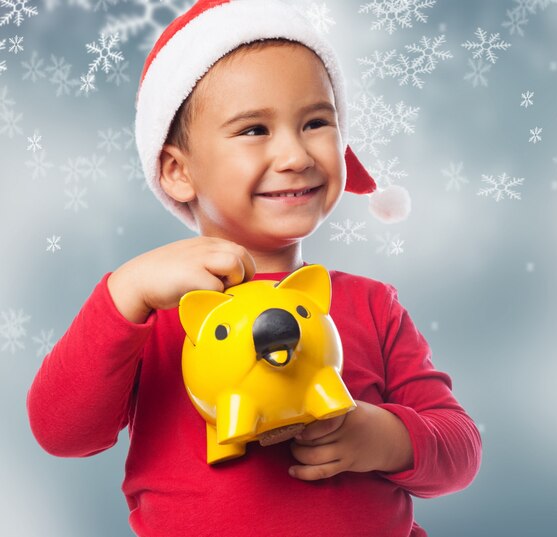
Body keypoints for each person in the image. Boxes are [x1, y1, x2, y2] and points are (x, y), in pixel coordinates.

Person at [26, 1, 482, 535]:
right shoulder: (151, 315)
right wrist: (122, 294)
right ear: (177, 171)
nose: (294, 154)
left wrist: (383, 437)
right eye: (253, 130)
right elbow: (61, 432)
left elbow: (461, 448)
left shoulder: (371, 304)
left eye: (315, 122)